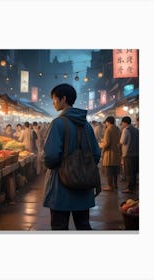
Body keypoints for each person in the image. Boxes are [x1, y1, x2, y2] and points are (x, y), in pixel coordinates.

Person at [42, 83, 101, 230]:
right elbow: (96, 154)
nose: (53, 102)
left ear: (63, 99)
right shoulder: (86, 125)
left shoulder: (58, 123)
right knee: (83, 225)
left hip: (60, 187)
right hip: (84, 186)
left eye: (54, 99)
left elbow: (50, 157)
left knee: (59, 227)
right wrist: (82, 169)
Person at [99, 116, 121, 191]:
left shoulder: (108, 130)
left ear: (108, 122)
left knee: (109, 171)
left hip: (109, 153)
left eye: (106, 122)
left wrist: (102, 147)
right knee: (115, 171)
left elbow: (107, 143)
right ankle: (115, 185)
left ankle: (110, 186)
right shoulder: (118, 129)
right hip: (117, 153)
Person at [119, 116, 139, 193]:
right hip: (136, 153)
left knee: (129, 172)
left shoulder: (126, 130)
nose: (122, 124)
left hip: (128, 154)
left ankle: (130, 188)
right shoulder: (136, 130)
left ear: (125, 122)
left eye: (122, 123)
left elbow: (122, 141)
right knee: (134, 171)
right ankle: (133, 187)